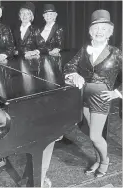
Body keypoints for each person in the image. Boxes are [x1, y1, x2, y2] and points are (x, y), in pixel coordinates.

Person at [63, 10, 122, 178]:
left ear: (109, 33)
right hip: (84, 97)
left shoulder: (116, 53)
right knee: (91, 134)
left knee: (95, 136)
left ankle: (105, 161)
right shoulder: (84, 50)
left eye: (103, 29)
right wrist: (74, 74)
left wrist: (117, 92)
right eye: (96, 28)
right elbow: (69, 66)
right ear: (91, 32)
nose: (99, 32)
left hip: (101, 99)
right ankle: (98, 159)